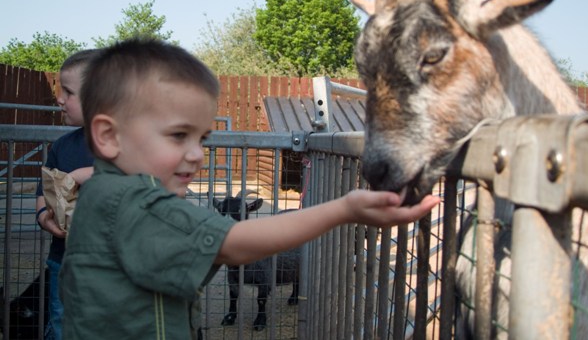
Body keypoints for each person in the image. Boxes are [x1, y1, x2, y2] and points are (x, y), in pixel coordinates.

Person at [59, 38, 441, 339]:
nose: (196, 155)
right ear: (109, 136)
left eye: (202, 138)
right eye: (178, 136)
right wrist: (344, 209)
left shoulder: (107, 195)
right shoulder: (135, 203)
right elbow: (234, 243)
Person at [35, 49, 102, 340]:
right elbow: (43, 192)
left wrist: (84, 174)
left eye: (68, 92)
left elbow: (142, 175)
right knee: (63, 326)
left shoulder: (130, 146)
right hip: (64, 262)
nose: (59, 98)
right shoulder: (61, 146)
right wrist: (43, 217)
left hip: (111, 266)